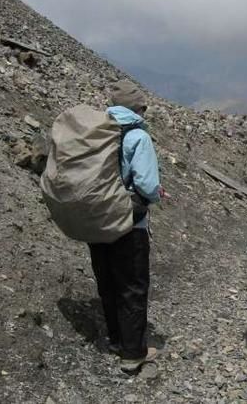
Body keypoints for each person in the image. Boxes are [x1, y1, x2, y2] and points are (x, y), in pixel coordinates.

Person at [88, 80, 162, 372]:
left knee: (107, 283)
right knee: (132, 286)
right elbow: (145, 183)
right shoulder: (138, 136)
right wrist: (155, 194)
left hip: (96, 218)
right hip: (129, 222)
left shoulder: (97, 131)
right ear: (138, 108)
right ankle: (133, 354)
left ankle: (116, 340)